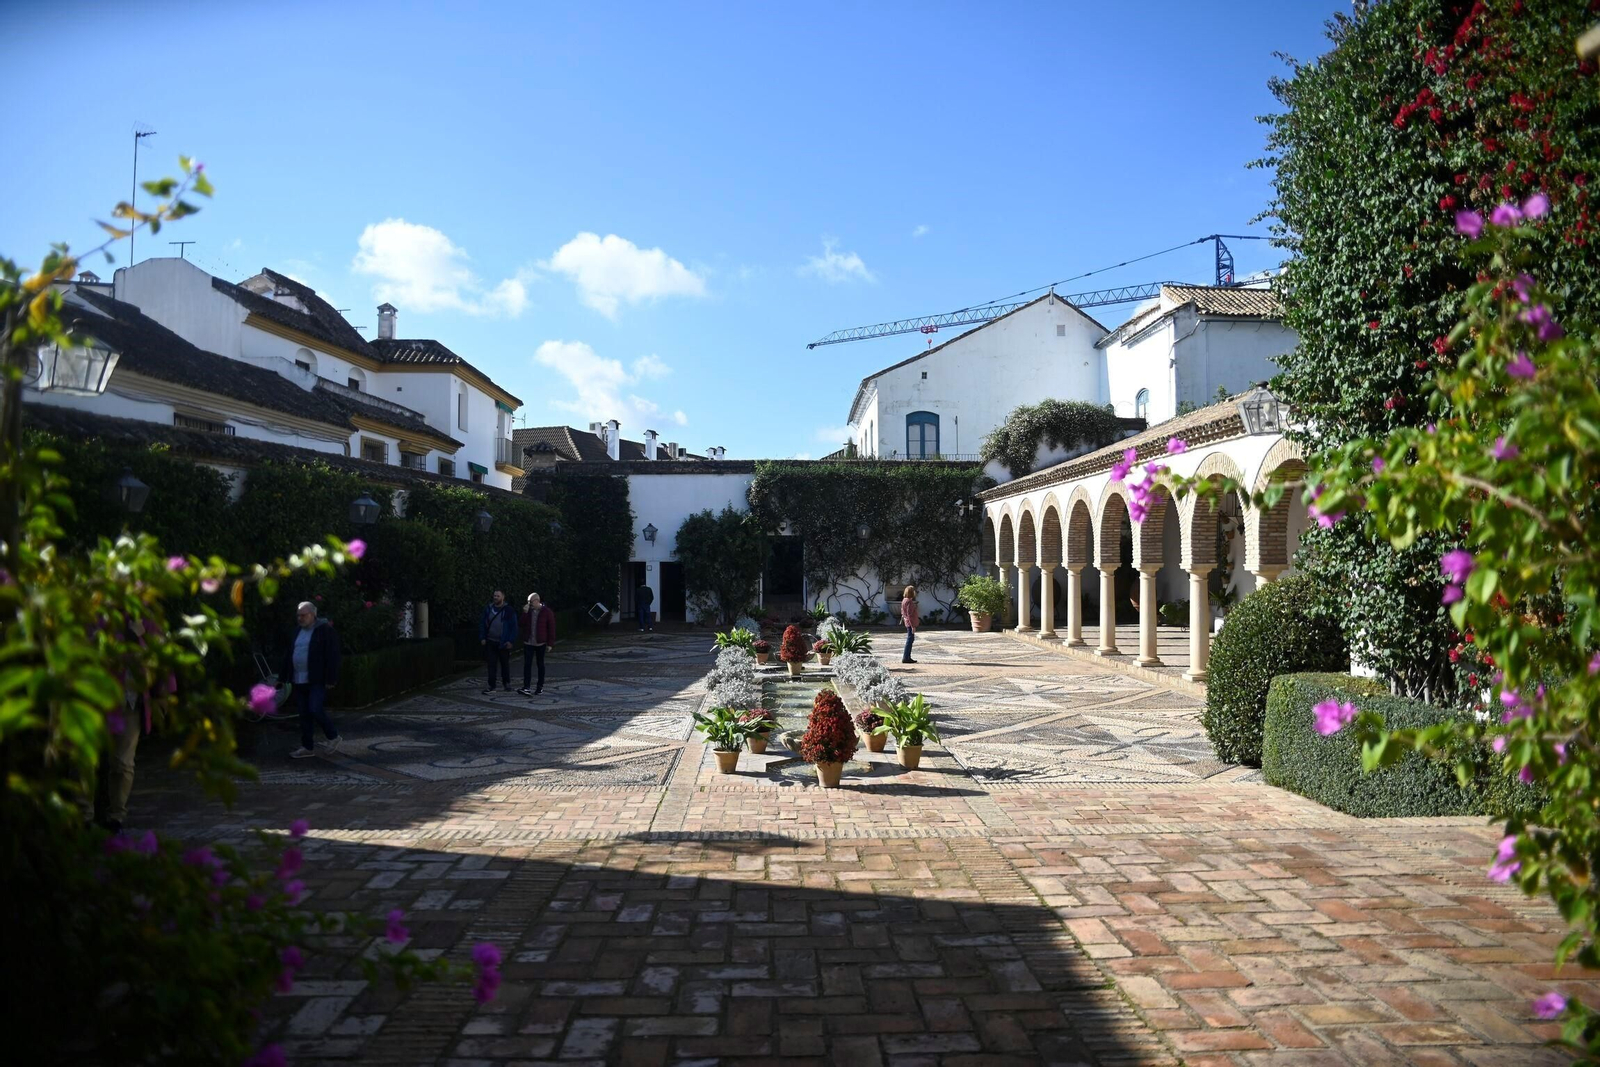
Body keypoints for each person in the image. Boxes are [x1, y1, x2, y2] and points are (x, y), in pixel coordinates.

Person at [285, 601, 341, 758]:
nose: (300, 618)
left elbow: (333, 656)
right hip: (299, 678)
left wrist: (331, 678)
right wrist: (284, 677)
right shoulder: (297, 631)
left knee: (315, 708)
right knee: (303, 714)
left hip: (316, 678)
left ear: (313, 615)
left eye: (303, 615)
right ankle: (307, 747)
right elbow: (289, 654)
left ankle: (333, 736)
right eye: (298, 615)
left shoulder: (324, 631)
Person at [518, 592, 557, 696]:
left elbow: (551, 628)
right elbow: (521, 624)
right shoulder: (528, 611)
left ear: (537, 601)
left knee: (540, 665)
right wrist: (524, 613)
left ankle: (540, 687)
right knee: (527, 664)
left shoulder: (547, 612)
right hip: (529, 642)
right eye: (528, 602)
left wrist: (550, 643)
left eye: (530, 602)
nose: (529, 604)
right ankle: (526, 687)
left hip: (540, 642)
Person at [480, 589, 515, 693]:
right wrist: (482, 637)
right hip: (491, 641)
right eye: (494, 596)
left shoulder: (508, 610)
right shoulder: (488, 609)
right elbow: (482, 623)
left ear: (503, 597)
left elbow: (513, 627)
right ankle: (492, 685)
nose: (495, 598)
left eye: (498, 596)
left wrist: (510, 641)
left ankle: (506, 683)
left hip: (503, 642)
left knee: (505, 664)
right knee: (491, 664)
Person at [901, 583, 920, 664]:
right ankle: (906, 657)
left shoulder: (904, 600)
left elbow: (903, 612)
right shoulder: (909, 601)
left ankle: (907, 656)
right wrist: (913, 626)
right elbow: (910, 614)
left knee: (910, 639)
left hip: (907, 622)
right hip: (910, 623)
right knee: (910, 639)